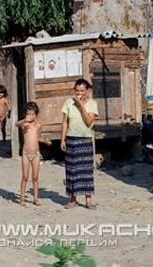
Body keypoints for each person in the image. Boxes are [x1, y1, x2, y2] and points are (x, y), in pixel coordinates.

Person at [60, 78, 99, 210]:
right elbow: (65, 122)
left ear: (87, 91)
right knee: (71, 170)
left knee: (86, 170)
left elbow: (89, 122)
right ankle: (72, 199)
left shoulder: (93, 104)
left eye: (82, 91)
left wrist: (81, 105)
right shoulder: (68, 102)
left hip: (85, 140)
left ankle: (88, 200)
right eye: (77, 91)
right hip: (71, 139)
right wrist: (62, 139)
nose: (79, 93)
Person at [16, 102, 50, 206]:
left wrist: (45, 141)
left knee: (35, 177)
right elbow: (17, 124)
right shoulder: (24, 125)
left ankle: (35, 198)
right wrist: (24, 120)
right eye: (28, 114)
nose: (30, 116)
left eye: (32, 114)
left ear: (36, 114)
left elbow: (38, 137)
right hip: (26, 153)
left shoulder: (38, 126)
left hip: (36, 154)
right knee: (25, 177)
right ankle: (22, 198)